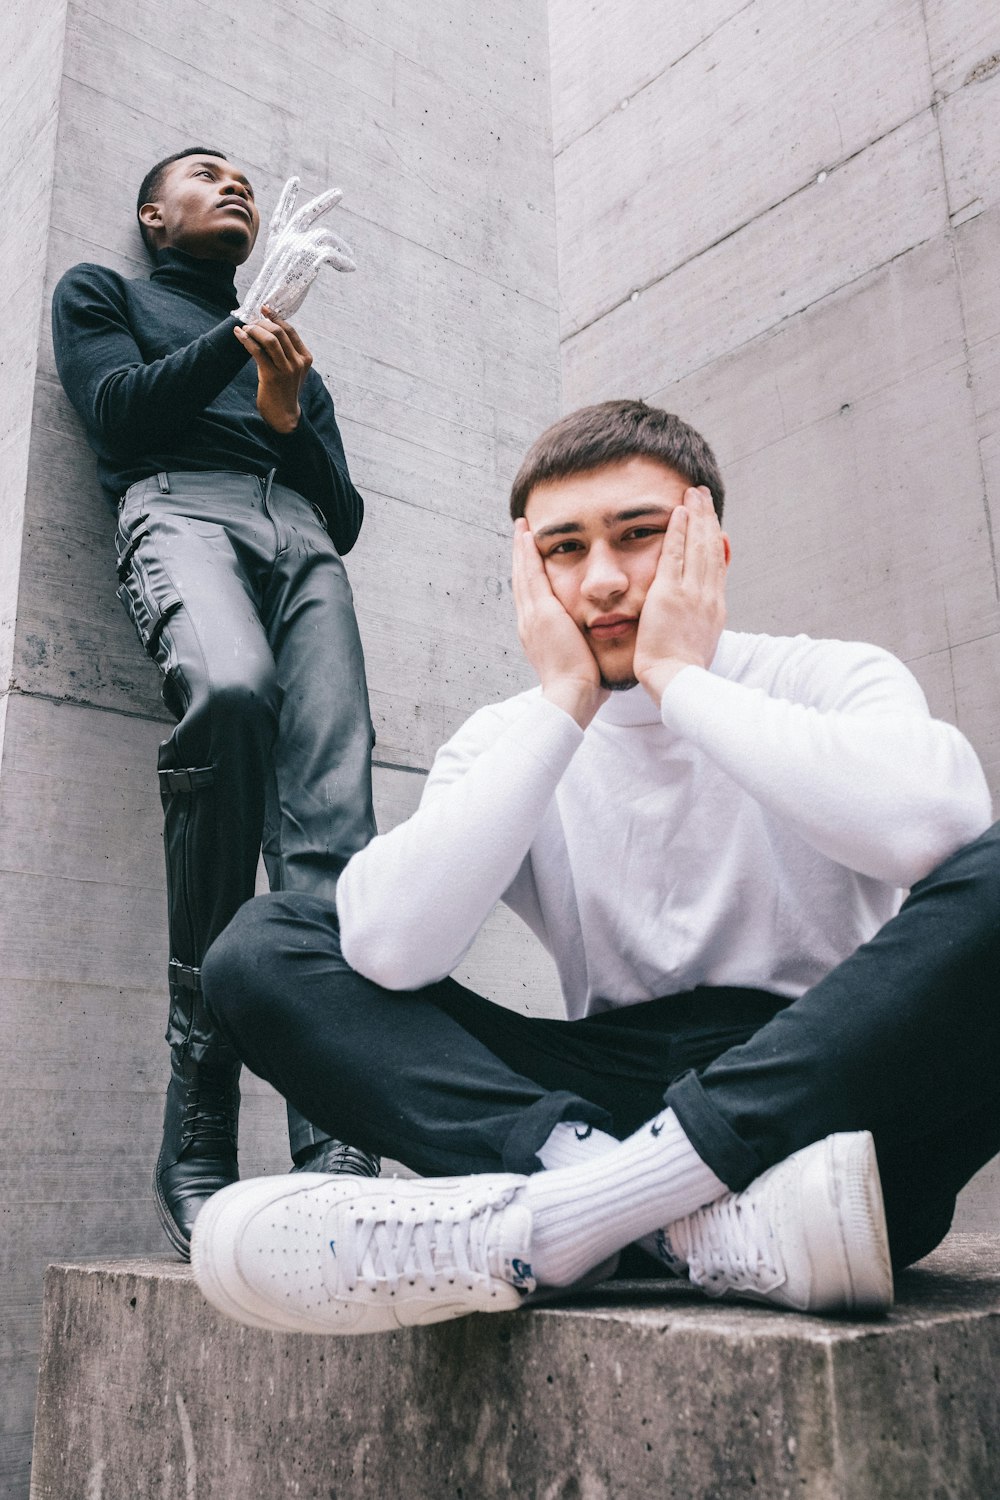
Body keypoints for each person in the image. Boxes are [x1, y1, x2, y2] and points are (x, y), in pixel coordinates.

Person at [189, 399, 997, 1334]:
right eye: (564, 550)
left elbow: (940, 827)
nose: (603, 580)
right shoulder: (511, 737)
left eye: (639, 535)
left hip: (832, 1095)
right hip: (602, 1103)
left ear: (711, 549)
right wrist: (568, 700)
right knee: (261, 950)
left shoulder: (826, 678)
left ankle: (579, 1220)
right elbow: (387, 946)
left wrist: (680, 683)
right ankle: (629, 1209)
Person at [51, 147, 381, 1258]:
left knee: (333, 820)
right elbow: (119, 416)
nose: (233, 183)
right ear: (154, 214)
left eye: (244, 175)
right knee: (230, 693)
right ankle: (199, 1098)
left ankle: (335, 1120)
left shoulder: (287, 348)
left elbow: (340, 514)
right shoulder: (105, 296)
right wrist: (239, 333)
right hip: (178, 512)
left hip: (299, 545)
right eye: (204, 173)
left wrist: (286, 410)